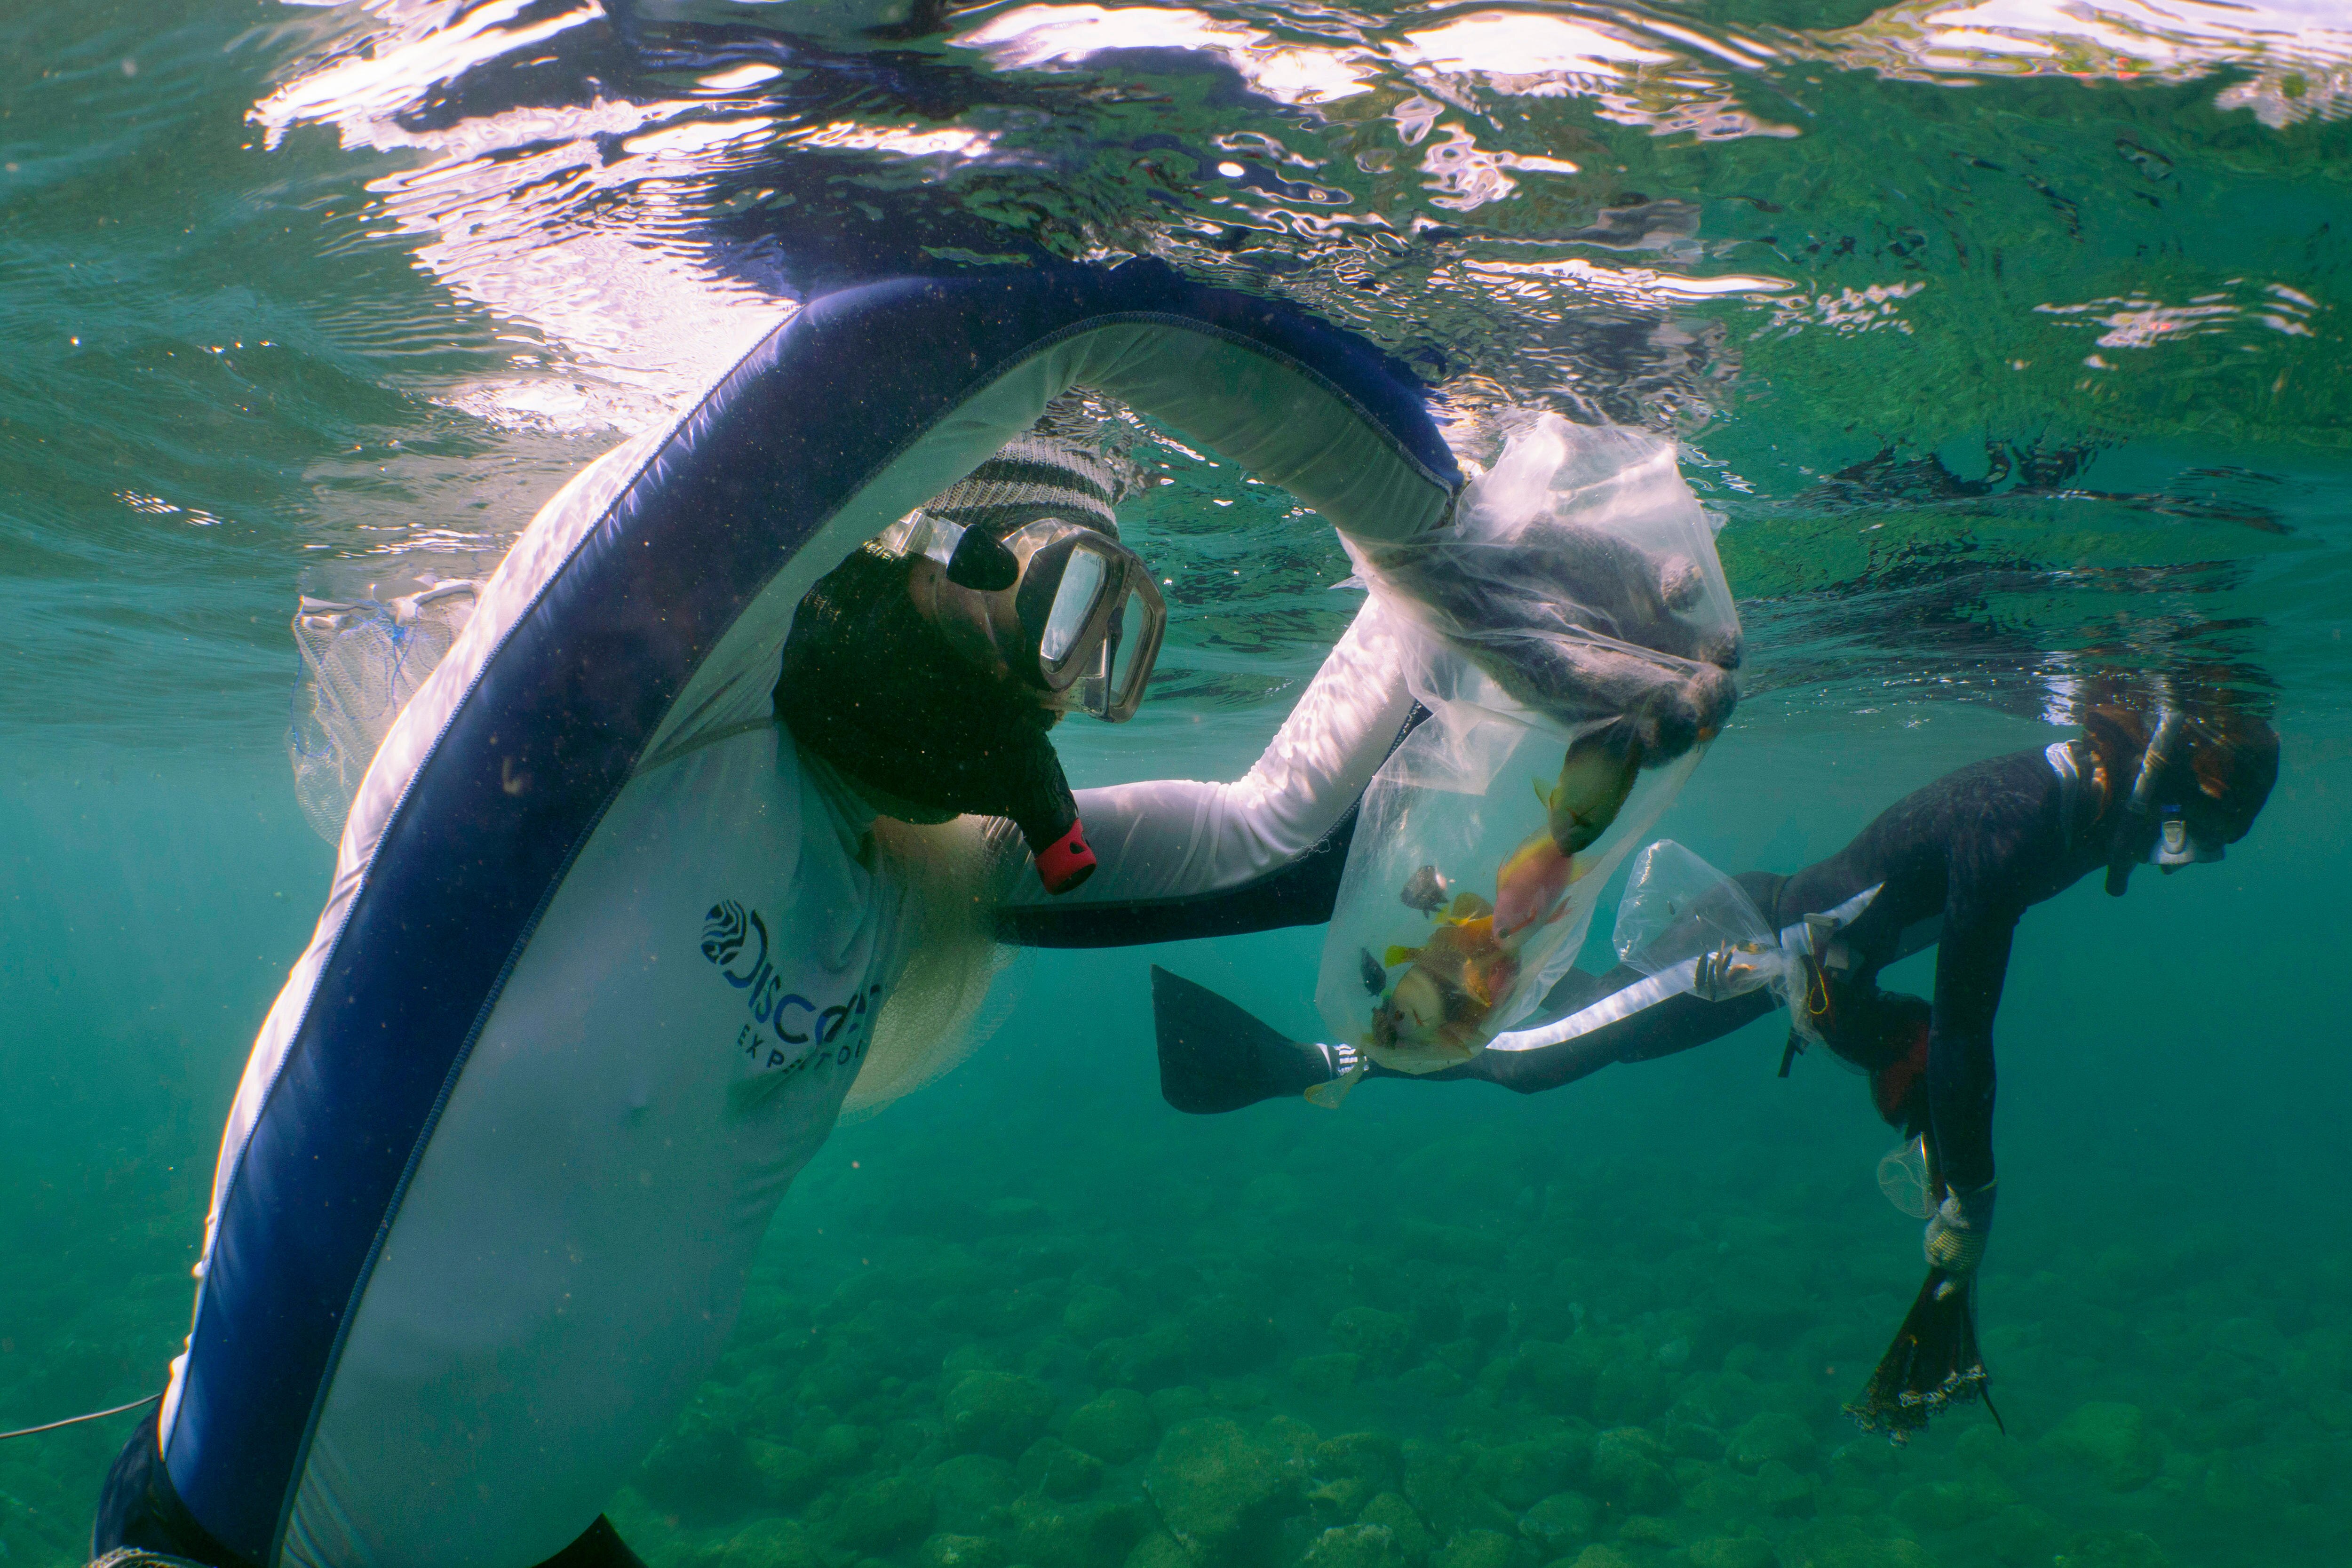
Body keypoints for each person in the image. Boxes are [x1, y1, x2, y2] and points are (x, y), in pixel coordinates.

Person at [93, 326, 1737, 1568]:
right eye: (1054, 608)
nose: (1050, 696)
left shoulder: (905, 878)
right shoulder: (564, 754)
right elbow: (919, 347)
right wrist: (1432, 520)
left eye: (1098, 646)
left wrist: (1500, 622)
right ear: (891, 553)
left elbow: (1279, 844)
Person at [1154, 690, 2279, 1432]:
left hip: (1782, 953)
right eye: (2186, 833)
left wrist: (1891, 1048)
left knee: (1564, 1028)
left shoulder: (2070, 809)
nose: (2170, 859)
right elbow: (1969, 1012)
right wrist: (1969, 1193)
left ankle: (1323, 1048)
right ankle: (1313, 1056)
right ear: (2161, 785)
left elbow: (1927, 980)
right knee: (1543, 1049)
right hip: (1752, 948)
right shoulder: (2024, 818)